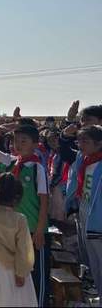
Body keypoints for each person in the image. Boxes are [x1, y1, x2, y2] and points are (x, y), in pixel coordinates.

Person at [0, 119, 49, 306]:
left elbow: (44, 201)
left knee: (36, 273)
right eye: (16, 141)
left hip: (33, 229)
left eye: (24, 141)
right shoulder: (12, 162)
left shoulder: (37, 168)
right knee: (19, 272)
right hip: (14, 229)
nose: (18, 145)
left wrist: (40, 230)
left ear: (35, 144)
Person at [0, 173, 37, 307]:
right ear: (16, 197)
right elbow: (24, 249)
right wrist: (20, 272)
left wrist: (9, 263)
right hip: (19, 268)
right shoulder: (20, 219)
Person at [62, 125, 102, 298]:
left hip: (98, 222)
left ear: (99, 143)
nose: (80, 145)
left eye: (85, 141)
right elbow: (65, 151)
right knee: (94, 264)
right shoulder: (83, 159)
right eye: (79, 141)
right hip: (84, 214)